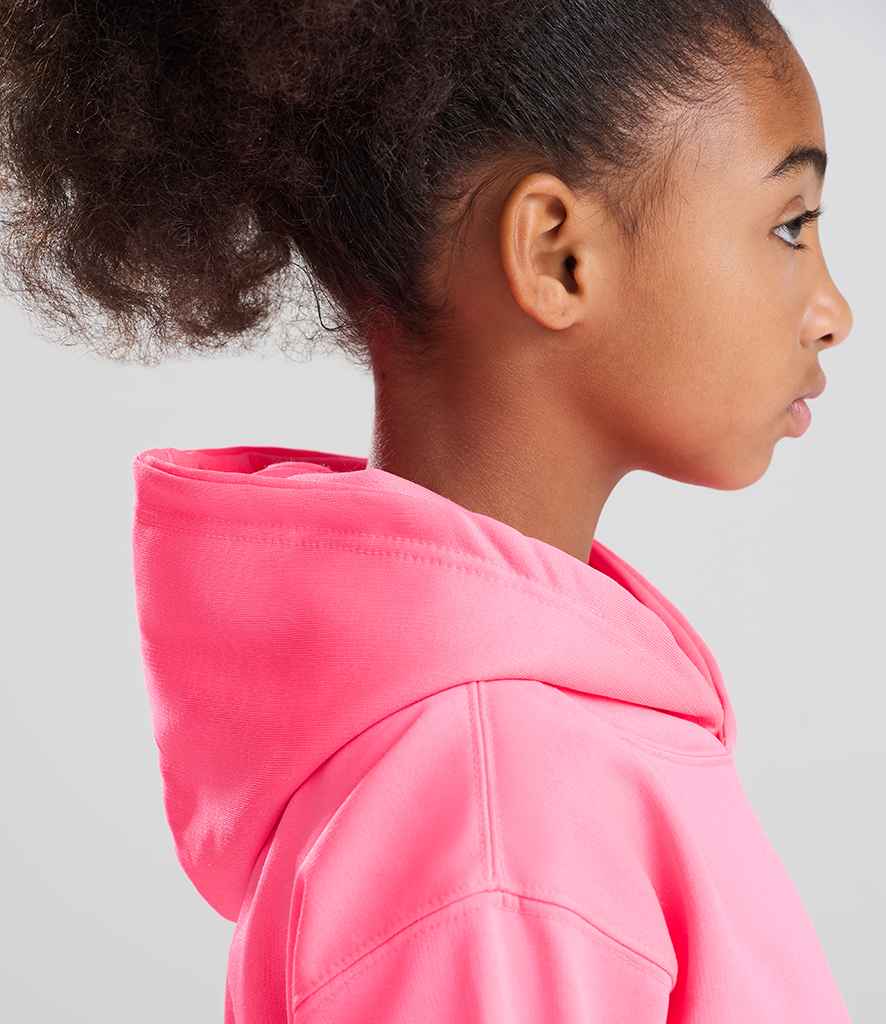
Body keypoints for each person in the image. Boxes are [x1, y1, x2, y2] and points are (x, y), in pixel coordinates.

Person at [0, 2, 854, 1021]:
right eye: (789, 225)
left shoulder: (510, 773)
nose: (832, 312)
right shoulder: (501, 820)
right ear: (556, 253)